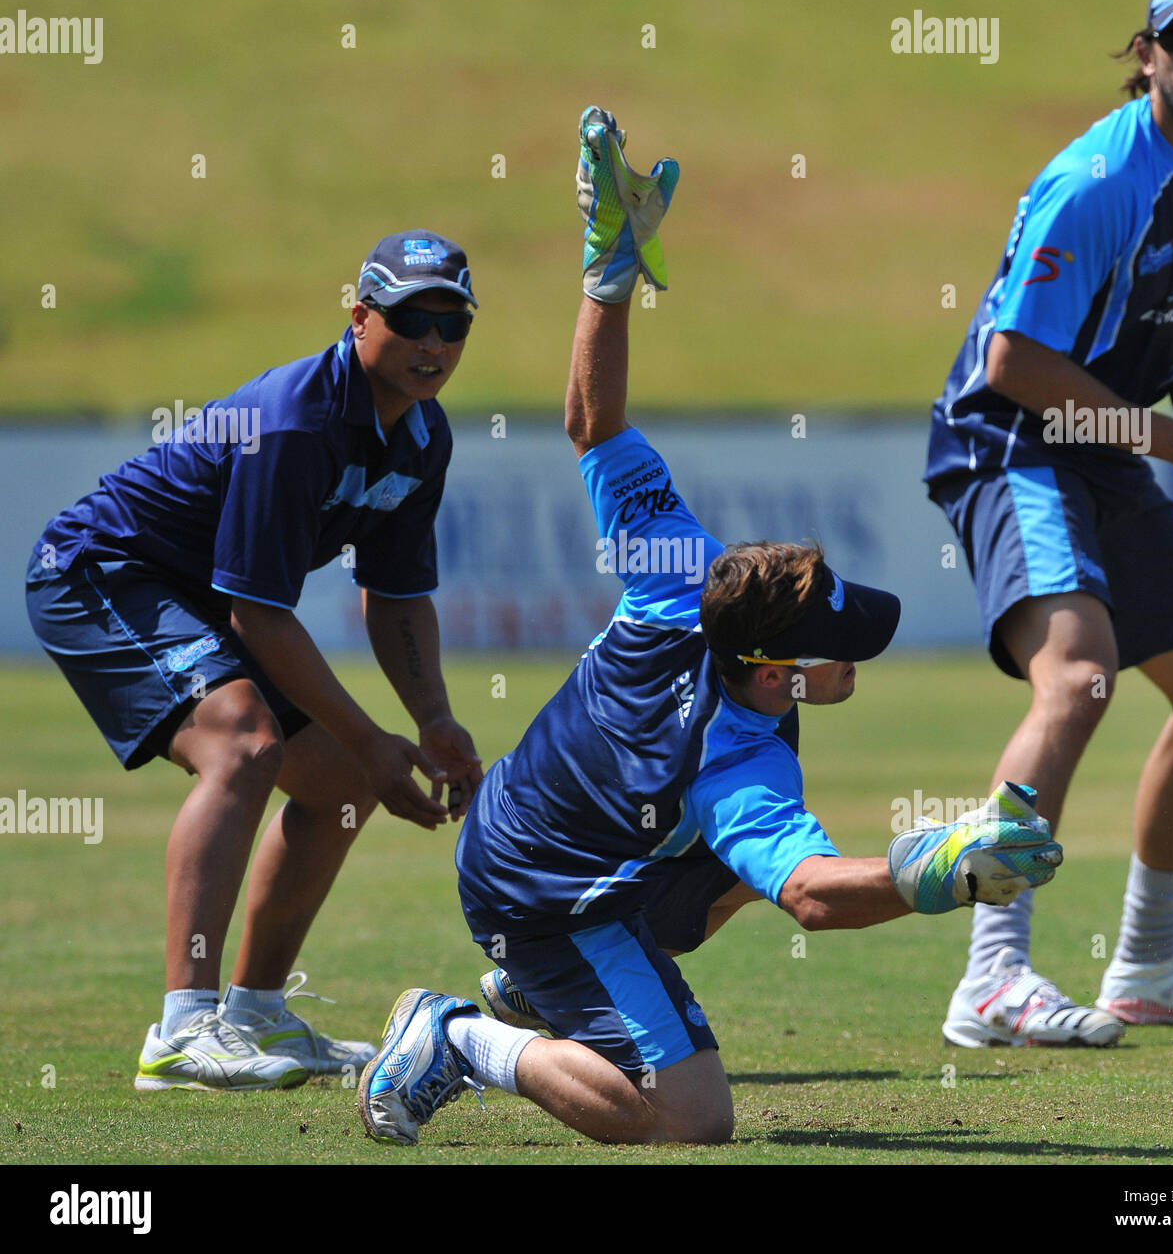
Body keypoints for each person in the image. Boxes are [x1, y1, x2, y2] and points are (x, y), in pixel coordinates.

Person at [355, 107, 1064, 1148]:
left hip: (536, 817)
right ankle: (464, 1036)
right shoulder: (735, 768)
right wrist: (941, 873)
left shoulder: (677, 576)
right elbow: (816, 898)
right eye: (823, 652)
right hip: (546, 892)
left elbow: (592, 423)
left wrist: (607, 276)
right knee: (688, 1116)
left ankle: (537, 995)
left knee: (723, 876)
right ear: (768, 668)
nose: (843, 662)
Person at [922, 0, 1173, 1047]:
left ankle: (1148, 961)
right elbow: (1011, 364)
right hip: (1008, 439)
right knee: (1078, 678)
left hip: (1105, 443)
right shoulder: (1094, 181)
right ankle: (992, 973)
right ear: (1145, 56)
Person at [26, 230, 484, 1090]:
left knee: (341, 782)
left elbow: (393, 597)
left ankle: (256, 1016)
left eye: (452, 322)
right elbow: (259, 614)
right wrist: (373, 739)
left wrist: (431, 722)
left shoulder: (424, 439)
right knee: (242, 742)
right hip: (98, 571)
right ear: (359, 317)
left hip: (197, 594)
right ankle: (181, 1030)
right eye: (411, 317)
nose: (433, 342)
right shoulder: (293, 421)